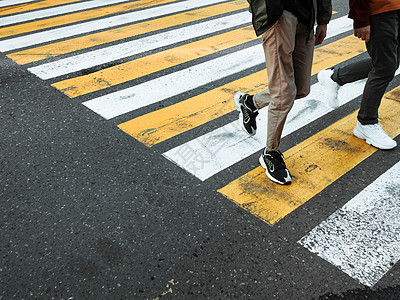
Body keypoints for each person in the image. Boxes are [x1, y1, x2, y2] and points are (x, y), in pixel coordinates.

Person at [234, 0, 332, 185]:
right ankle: (270, 153)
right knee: (283, 94)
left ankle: (250, 103)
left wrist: (323, 19)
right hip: (279, 13)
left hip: (307, 15)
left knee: (301, 89)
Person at [346, 0, 399, 150]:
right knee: (384, 69)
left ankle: (335, 77)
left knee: (390, 63)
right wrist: (360, 19)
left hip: (395, 8)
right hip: (380, 10)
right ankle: (366, 122)